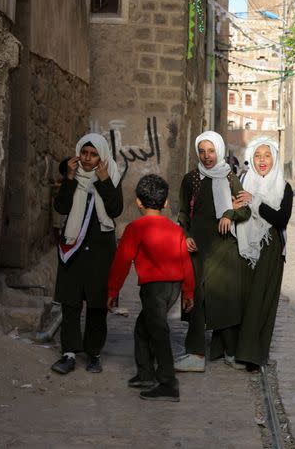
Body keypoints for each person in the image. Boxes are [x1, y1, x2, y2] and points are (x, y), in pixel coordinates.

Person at [107, 174, 195, 402]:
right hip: (173, 288)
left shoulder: (135, 228)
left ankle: (168, 384)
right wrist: (188, 291)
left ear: (138, 202)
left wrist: (112, 291)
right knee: (142, 328)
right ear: (165, 203)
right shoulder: (176, 230)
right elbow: (186, 260)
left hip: (153, 288)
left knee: (158, 332)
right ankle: (145, 374)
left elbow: (122, 262)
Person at [175, 131, 251, 372]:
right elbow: (183, 213)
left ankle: (230, 352)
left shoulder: (229, 176)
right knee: (195, 296)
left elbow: (245, 210)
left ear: (218, 150)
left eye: (210, 151)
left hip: (224, 246)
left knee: (225, 298)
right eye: (202, 151)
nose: (206, 156)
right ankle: (195, 353)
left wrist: (229, 213)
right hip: (198, 246)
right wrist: (185, 236)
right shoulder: (191, 179)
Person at [51, 133, 123, 375]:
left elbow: (115, 209)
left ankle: (94, 354)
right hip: (74, 248)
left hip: (101, 251)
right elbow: (61, 206)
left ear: (101, 156)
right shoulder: (72, 177)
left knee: (96, 305)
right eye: (84, 153)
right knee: (70, 303)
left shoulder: (110, 174)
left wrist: (103, 182)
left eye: (93, 155)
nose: (88, 159)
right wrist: (70, 178)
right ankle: (69, 353)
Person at [233, 137, 293, 371]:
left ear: (275, 158)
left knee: (263, 300)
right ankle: (235, 350)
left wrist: (255, 202)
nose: (262, 161)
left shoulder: (283, 187)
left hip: (271, 248)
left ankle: (254, 355)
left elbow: (281, 219)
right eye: (258, 156)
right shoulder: (243, 181)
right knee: (244, 299)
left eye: (267, 156)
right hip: (244, 246)